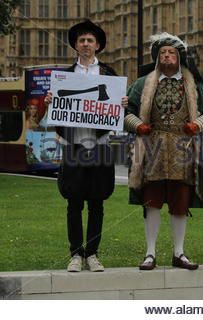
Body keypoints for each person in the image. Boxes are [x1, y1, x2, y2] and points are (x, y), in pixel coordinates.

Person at [125, 32, 203, 271]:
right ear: (157, 58)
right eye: (163, 53)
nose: (167, 56)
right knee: (152, 202)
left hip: (184, 149)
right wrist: (139, 126)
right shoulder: (142, 84)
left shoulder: (194, 84)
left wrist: (198, 124)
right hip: (152, 149)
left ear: (180, 58)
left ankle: (179, 252)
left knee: (180, 202)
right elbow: (125, 113)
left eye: (172, 53)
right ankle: (150, 253)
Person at [44, 20, 128, 272]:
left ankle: (92, 254)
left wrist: (122, 102)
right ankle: (75, 254)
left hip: (100, 143)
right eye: (81, 40)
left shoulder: (108, 75)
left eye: (90, 40)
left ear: (98, 45)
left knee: (97, 202)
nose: (85, 44)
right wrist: (50, 100)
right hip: (74, 144)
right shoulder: (66, 76)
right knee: (73, 202)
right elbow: (54, 111)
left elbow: (119, 108)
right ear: (75, 45)